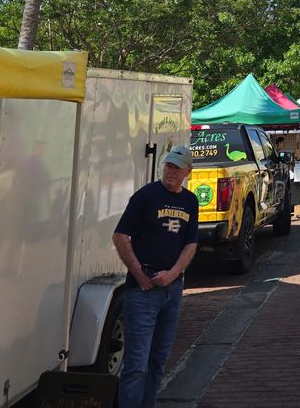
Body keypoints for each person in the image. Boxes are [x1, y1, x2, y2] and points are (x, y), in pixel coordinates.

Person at [113, 145, 199, 408]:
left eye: (177, 168)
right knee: (136, 364)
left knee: (158, 361)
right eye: (168, 166)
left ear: (187, 171)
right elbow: (120, 236)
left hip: (172, 291)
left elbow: (190, 244)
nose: (171, 171)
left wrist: (174, 274)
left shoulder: (190, 201)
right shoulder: (146, 196)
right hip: (144, 291)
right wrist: (139, 274)